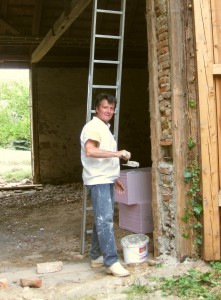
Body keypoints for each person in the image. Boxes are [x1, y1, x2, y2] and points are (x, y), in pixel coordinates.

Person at [80, 93, 131, 277]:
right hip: (98, 180)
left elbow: (102, 156)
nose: (109, 110)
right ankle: (111, 261)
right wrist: (118, 154)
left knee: (102, 218)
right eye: (105, 107)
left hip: (104, 178)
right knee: (105, 221)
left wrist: (114, 177)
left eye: (111, 108)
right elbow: (90, 150)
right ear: (96, 108)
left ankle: (95, 256)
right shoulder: (93, 128)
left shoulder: (103, 128)